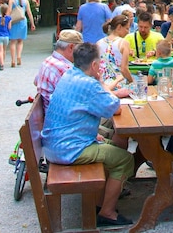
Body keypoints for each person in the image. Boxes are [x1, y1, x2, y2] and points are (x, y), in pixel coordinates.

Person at [41, 43, 134, 227]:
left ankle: (101, 200)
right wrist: (100, 82)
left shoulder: (69, 75)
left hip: (57, 144)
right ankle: (107, 213)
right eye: (99, 63)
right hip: (69, 150)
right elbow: (113, 107)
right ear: (93, 65)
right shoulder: (89, 84)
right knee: (125, 159)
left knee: (115, 145)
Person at [34, 30, 83, 107]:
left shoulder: (47, 61)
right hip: (59, 114)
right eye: (80, 49)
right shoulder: (65, 69)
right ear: (71, 47)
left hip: (47, 110)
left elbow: (36, 81)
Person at [7, 0, 35, 68]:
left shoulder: (12, 0)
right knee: (20, 41)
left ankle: (13, 60)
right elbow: (29, 13)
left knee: (13, 42)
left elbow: (8, 12)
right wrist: (32, 23)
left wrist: (6, 22)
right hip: (23, 21)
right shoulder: (26, 1)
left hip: (14, 21)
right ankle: (19, 56)